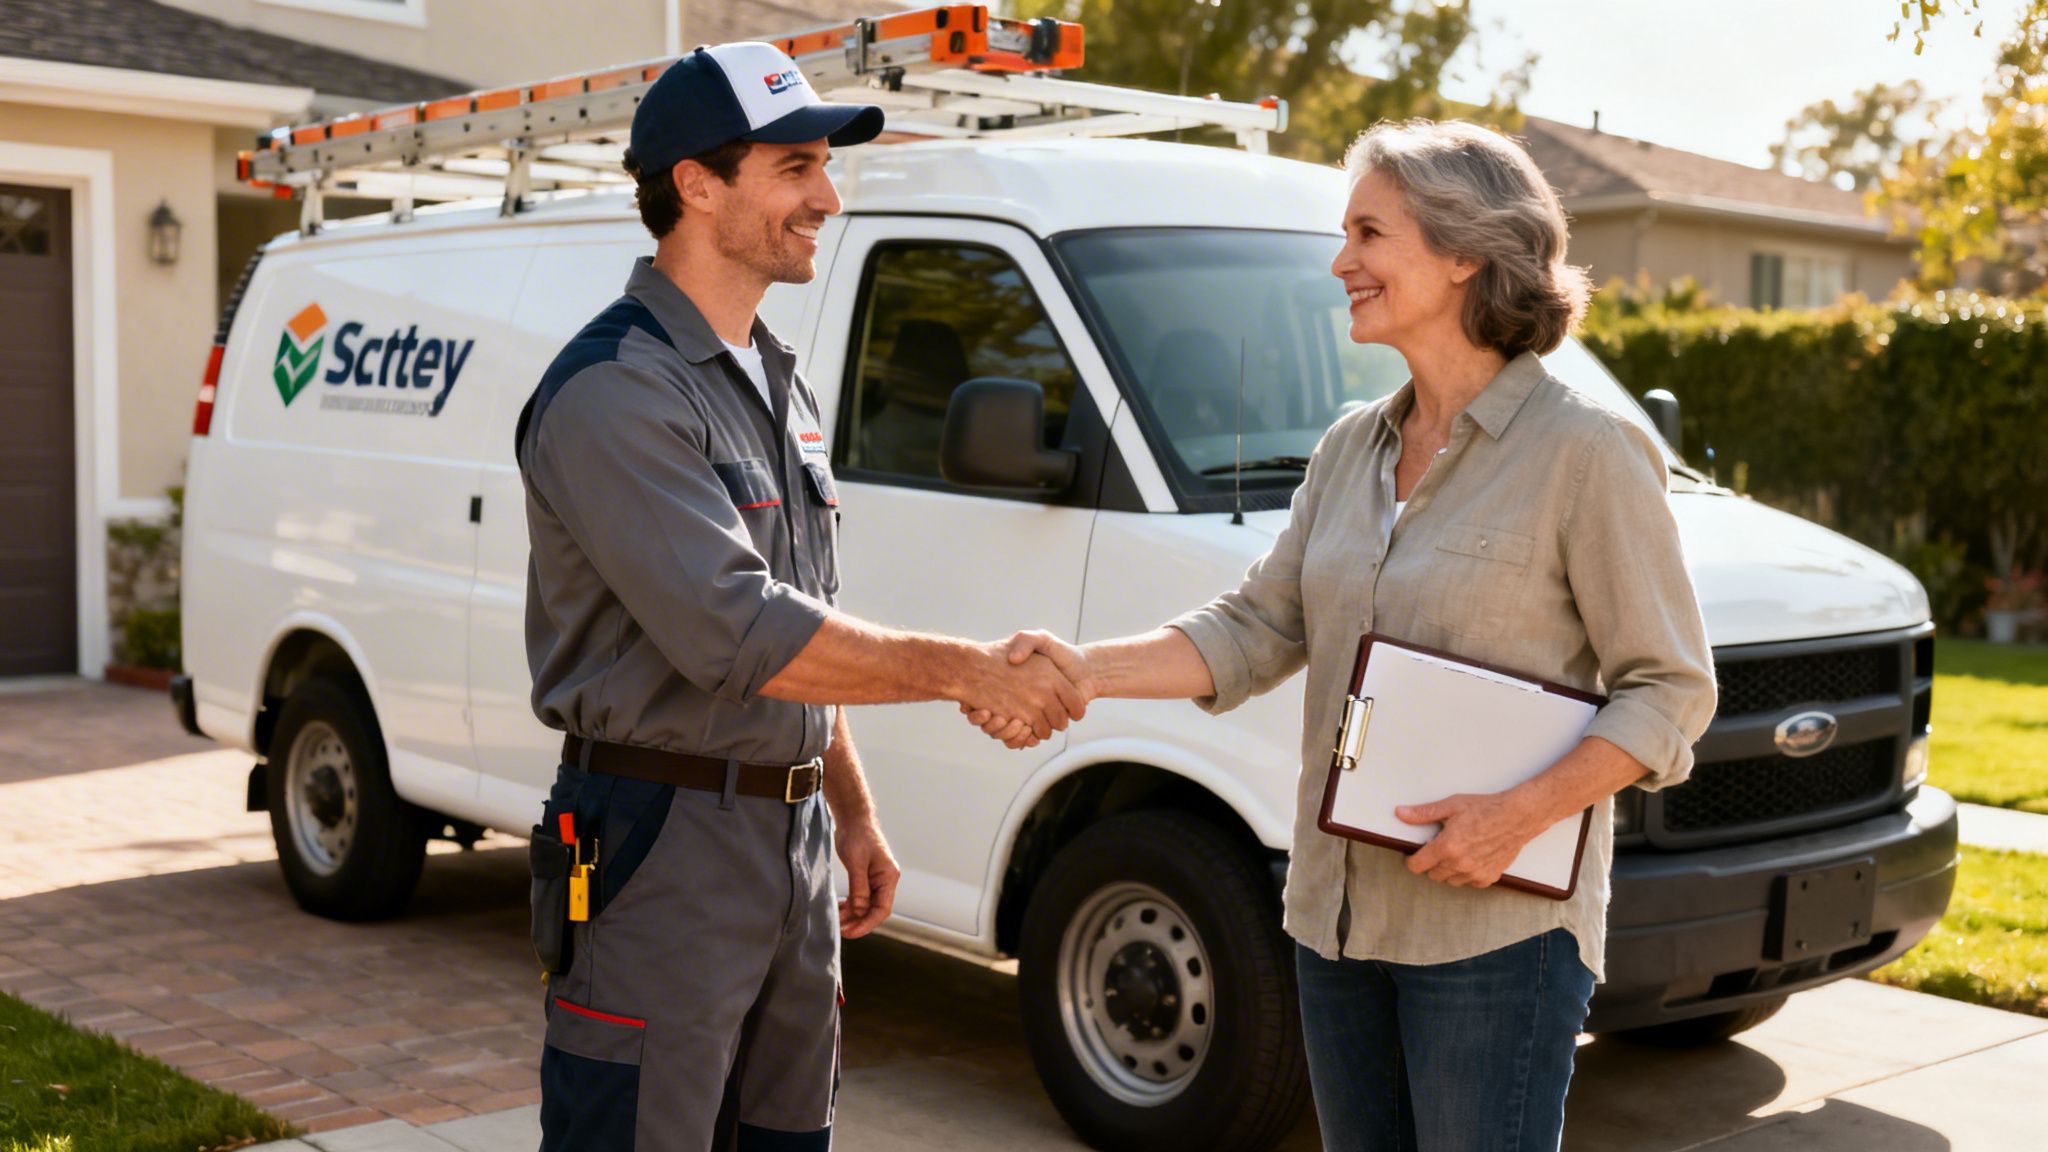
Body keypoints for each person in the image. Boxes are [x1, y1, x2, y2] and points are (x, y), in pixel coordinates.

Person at [974, 119, 1717, 1150]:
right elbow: (1258, 626)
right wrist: (1081, 670)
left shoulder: (1584, 453)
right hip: (1330, 920)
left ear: (1462, 253)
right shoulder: (1347, 449)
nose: (1341, 262)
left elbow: (1669, 691)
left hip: (1491, 934)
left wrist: (1514, 816)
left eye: (1369, 233)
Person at [516, 43, 1084, 1152]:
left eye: (824, 166)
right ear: (695, 182)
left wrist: (851, 809)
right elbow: (740, 631)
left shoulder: (774, 379)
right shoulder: (616, 391)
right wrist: (967, 670)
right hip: (658, 847)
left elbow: (803, 606)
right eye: (794, 167)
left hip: (793, 838)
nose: (827, 197)